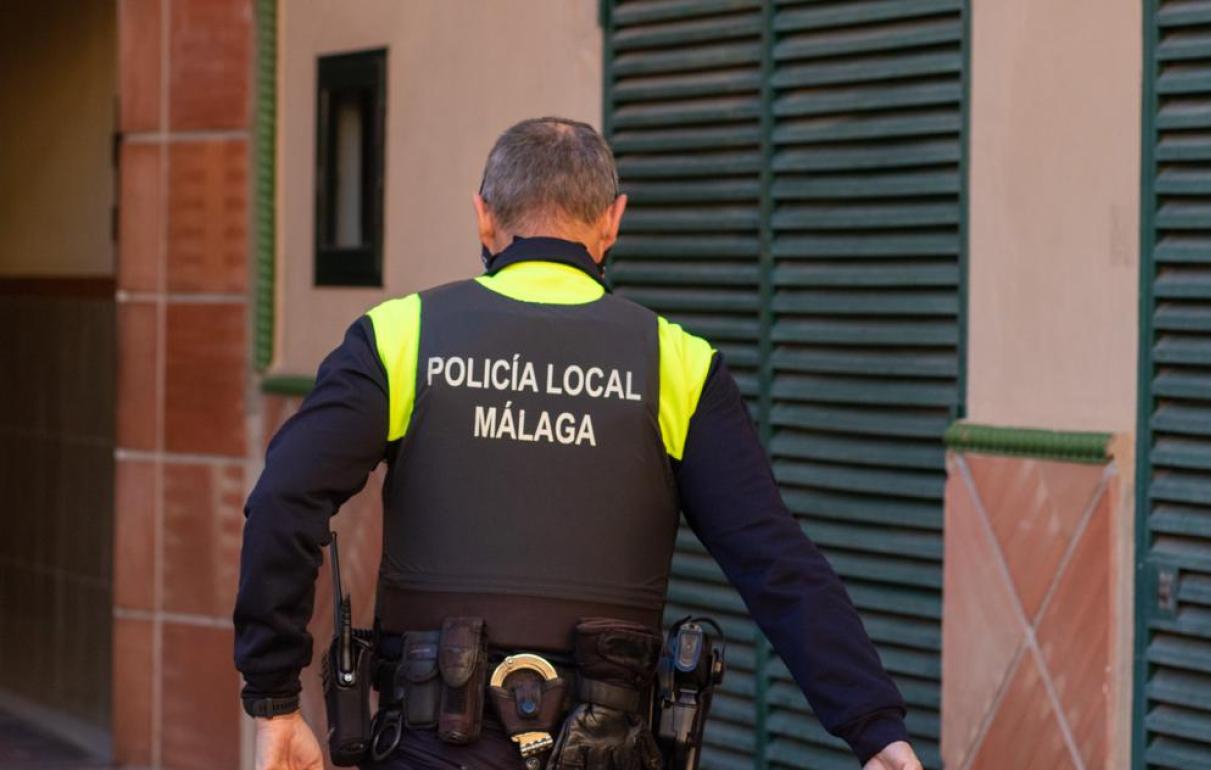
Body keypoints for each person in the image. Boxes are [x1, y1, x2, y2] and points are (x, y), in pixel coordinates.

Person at [233, 117, 924, 770]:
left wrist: (275, 701)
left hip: (428, 745)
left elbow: (284, 498)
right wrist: (874, 727)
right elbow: (777, 563)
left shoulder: (398, 337)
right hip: (608, 747)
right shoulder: (676, 363)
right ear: (611, 222)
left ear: (483, 214)